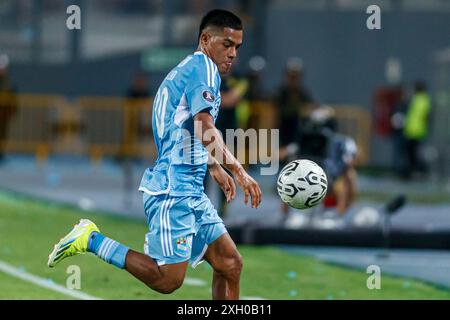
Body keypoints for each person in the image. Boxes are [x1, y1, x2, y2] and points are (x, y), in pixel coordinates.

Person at [47, 9, 262, 300]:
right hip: (175, 189)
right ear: (205, 39)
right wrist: (238, 170)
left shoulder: (190, 68)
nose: (233, 53)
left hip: (189, 188)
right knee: (167, 280)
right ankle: (91, 240)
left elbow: (184, 127)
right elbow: (203, 126)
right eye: (227, 44)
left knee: (229, 263)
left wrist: (213, 165)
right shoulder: (204, 70)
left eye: (237, 46)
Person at [403, 80, 431, 178]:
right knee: (411, 152)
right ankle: (413, 170)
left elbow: (426, 116)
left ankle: (417, 171)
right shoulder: (419, 99)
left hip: (416, 130)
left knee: (414, 152)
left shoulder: (422, 100)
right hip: (413, 129)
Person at [0, 54, 18, 163]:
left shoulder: (8, 83)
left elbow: (13, 99)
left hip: (3, 117)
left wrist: (11, 112)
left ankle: (1, 154)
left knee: (2, 135)